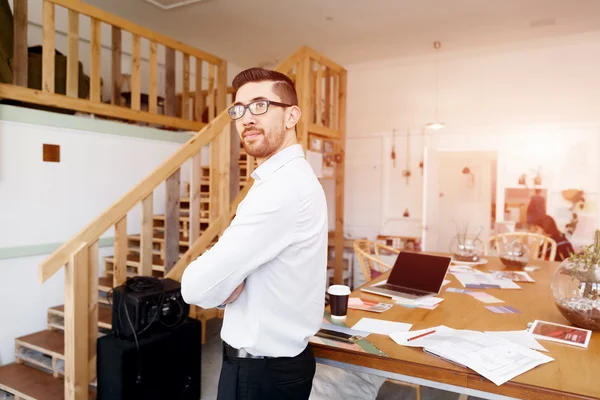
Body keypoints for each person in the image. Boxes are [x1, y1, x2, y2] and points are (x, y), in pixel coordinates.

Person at [180, 67, 328, 400]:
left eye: (260, 106)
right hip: (271, 369)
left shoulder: (283, 189)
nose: (246, 118)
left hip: (262, 375)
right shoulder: (287, 180)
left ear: (291, 116)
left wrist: (223, 285)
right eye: (239, 109)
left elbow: (195, 286)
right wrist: (226, 283)